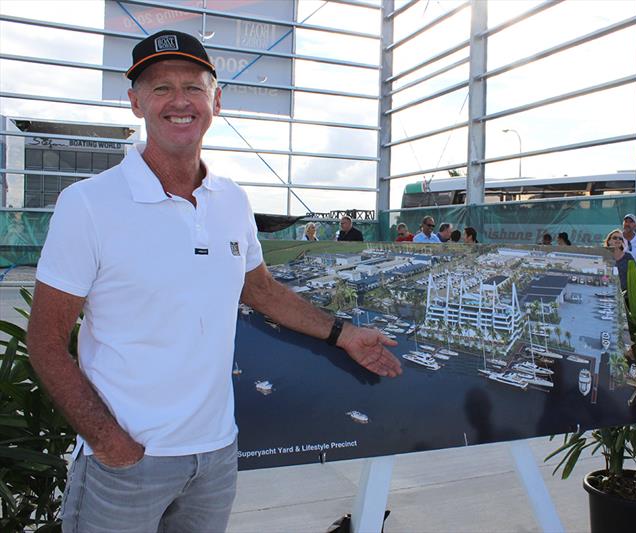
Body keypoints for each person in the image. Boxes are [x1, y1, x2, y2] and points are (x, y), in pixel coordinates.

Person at [26, 30, 401, 532]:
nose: (178, 101)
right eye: (160, 88)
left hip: (216, 457)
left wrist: (345, 333)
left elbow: (261, 289)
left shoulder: (232, 201)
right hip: (127, 463)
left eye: (193, 87)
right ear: (135, 102)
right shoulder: (88, 204)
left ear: (215, 100)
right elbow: (46, 341)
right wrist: (111, 444)